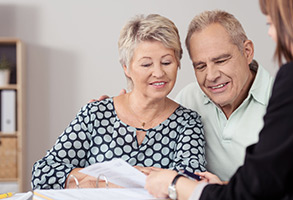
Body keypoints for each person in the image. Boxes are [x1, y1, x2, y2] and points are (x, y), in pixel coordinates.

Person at [144, 0, 293, 199]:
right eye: (200, 66)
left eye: (272, 22)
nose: (271, 33)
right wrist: (120, 109)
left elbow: (256, 189)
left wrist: (176, 184)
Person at [31, 14, 206, 190]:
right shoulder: (95, 114)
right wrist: (104, 178)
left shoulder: (188, 122)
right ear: (126, 68)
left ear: (178, 63)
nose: (159, 73)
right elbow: (43, 173)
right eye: (146, 64)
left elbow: (191, 184)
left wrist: (99, 179)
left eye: (167, 62)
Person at [95, 10, 274, 182]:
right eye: (200, 66)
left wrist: (225, 190)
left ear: (247, 52)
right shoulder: (190, 98)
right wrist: (115, 110)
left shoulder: (286, 101)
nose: (211, 76)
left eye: (220, 61)